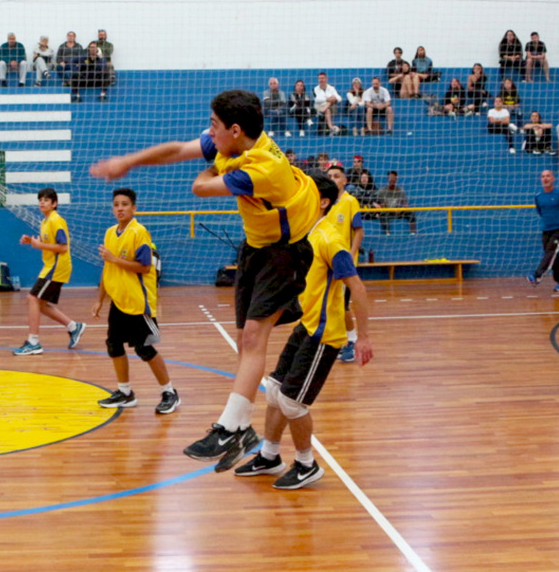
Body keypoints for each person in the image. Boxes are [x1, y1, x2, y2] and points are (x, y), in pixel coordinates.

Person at [90, 90, 320, 466]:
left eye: (214, 126)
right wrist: (127, 162)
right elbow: (177, 149)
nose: (208, 133)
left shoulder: (261, 167)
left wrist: (215, 164)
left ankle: (232, 427)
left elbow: (199, 187)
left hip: (288, 249)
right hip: (257, 244)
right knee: (247, 339)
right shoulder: (231, 141)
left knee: (252, 336)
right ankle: (242, 427)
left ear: (234, 129)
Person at [230, 170, 374, 488]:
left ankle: (307, 464)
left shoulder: (331, 240)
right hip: (306, 327)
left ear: (321, 202)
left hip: (325, 335)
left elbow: (358, 289)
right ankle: (269, 456)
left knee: (293, 403)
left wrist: (362, 337)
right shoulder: (304, 234)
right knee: (275, 392)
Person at [93, 188, 178, 414]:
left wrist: (113, 259)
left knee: (145, 348)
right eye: (116, 204)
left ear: (134, 208)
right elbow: (107, 267)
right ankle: (125, 392)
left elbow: (145, 266)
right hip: (119, 302)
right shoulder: (110, 232)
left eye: (124, 204)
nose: (120, 208)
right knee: (113, 345)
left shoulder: (139, 232)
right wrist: (100, 299)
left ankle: (170, 392)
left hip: (139, 303)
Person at [12, 187, 86, 353]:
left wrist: (39, 244)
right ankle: (74, 327)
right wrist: (31, 241)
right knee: (42, 304)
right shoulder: (45, 222)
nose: (42, 202)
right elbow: (48, 245)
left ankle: (33, 342)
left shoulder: (55, 220)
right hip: (50, 266)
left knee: (32, 299)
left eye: (46, 200)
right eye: (40, 200)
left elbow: (63, 247)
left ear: (54, 204)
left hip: (57, 267)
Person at [326, 165, 364, 364]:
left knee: (342, 304)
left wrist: (351, 254)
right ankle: (339, 340)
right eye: (329, 176)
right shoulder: (325, 202)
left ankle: (352, 340)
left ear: (344, 180)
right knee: (330, 304)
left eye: (336, 176)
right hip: (325, 261)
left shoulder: (350, 201)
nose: (332, 178)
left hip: (343, 261)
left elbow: (358, 230)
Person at [527, 170, 559, 292]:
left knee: (550, 252)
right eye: (542, 176)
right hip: (546, 228)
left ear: (553, 178)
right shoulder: (538, 196)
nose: (545, 178)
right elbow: (540, 211)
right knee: (553, 255)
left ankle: (537, 276)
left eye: (548, 176)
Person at [375, 171, 416, 235]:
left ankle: (413, 232)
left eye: (393, 178)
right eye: (390, 178)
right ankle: (387, 232)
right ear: (387, 179)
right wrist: (389, 209)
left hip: (398, 211)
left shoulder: (400, 190)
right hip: (388, 211)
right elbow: (380, 204)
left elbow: (405, 204)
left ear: (396, 179)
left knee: (410, 213)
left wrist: (401, 209)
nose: (391, 179)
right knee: (383, 214)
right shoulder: (382, 191)